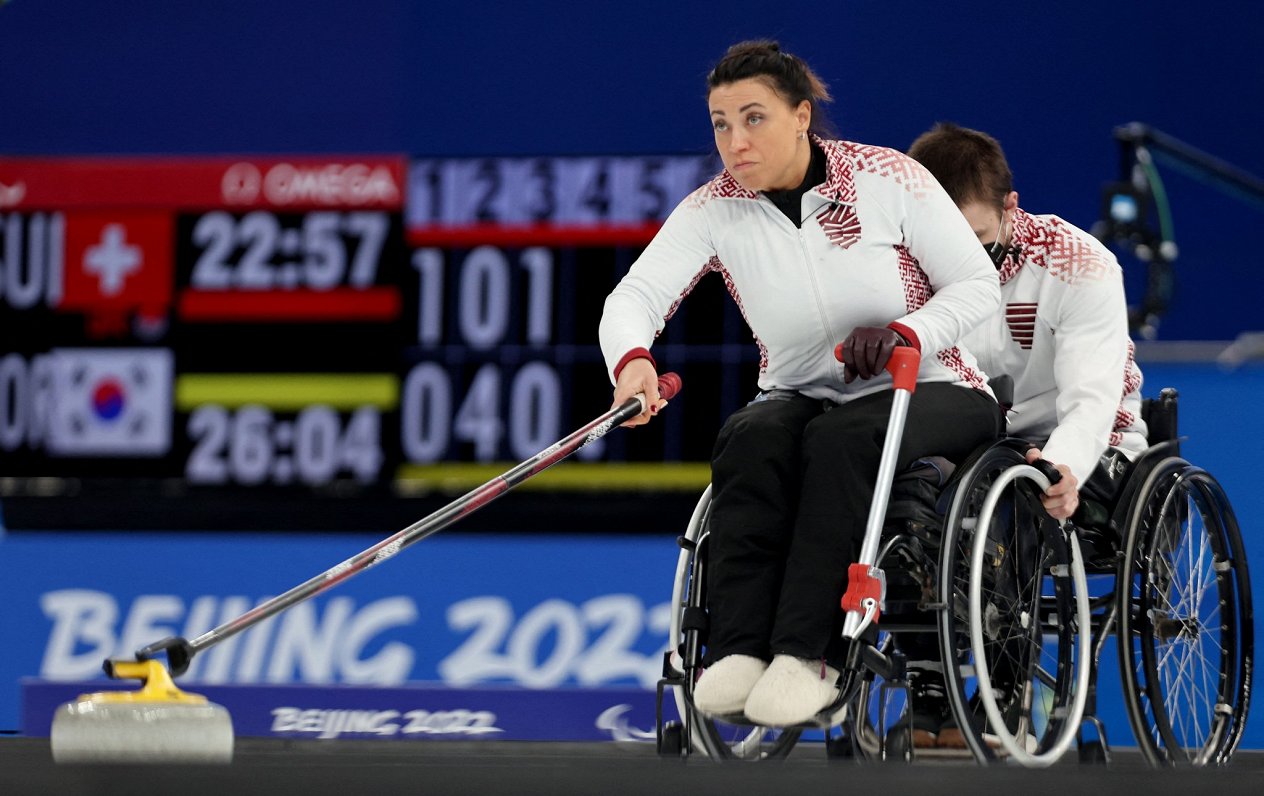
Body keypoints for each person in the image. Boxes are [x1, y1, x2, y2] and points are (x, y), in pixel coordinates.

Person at [599, 41, 1003, 727]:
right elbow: (633, 295)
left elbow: (978, 284)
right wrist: (632, 359)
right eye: (721, 123)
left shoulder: (887, 178)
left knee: (841, 439)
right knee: (750, 437)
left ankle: (808, 656)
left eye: (753, 118)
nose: (734, 140)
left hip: (934, 384)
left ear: (802, 116)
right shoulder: (713, 209)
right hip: (803, 396)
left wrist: (909, 333)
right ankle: (737, 653)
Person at [905, 122, 1148, 747]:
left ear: (1011, 209)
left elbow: (1091, 397)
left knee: (1012, 486)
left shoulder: (1078, 262)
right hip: (970, 438)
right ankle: (927, 681)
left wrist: (1062, 463)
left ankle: (1006, 692)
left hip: (1082, 441)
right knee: (902, 497)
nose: (961, 260)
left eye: (979, 240)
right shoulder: (902, 263)